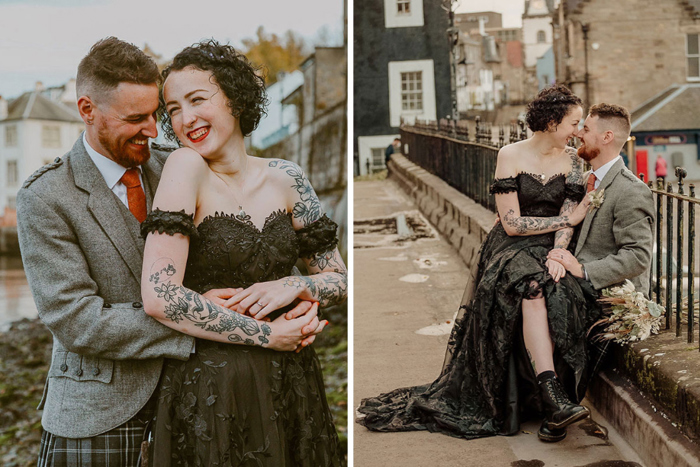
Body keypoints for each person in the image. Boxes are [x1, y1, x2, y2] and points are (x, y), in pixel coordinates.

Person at [17, 37, 321, 467]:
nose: (154, 128)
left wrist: (295, 299)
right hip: (101, 413)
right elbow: (77, 320)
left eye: (157, 113)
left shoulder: (177, 163)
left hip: (196, 400)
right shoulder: (45, 196)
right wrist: (195, 315)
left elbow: (245, 243)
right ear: (88, 110)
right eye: (136, 118)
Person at [140, 40, 346, 466]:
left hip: (293, 379)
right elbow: (160, 296)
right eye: (173, 108)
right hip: (216, 386)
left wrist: (295, 286)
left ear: (235, 98)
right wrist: (270, 336)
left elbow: (339, 281)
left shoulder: (288, 177)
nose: (185, 118)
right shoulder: (185, 168)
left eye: (197, 100)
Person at [358, 85, 600, 443]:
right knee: (531, 290)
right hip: (510, 249)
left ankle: (555, 405)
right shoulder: (510, 155)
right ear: (551, 122)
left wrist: (559, 253)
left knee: (560, 294)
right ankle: (552, 397)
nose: (579, 131)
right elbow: (514, 224)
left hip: (549, 248)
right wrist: (566, 223)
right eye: (575, 123)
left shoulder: (574, 161)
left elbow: (570, 213)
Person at [548, 103, 654, 300]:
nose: (579, 134)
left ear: (607, 137)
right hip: (571, 285)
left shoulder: (631, 190)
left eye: (586, 129)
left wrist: (582, 269)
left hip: (608, 298)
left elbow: (637, 256)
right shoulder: (581, 180)